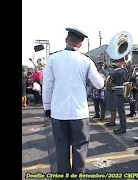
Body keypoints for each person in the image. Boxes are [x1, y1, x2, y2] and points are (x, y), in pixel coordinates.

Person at [42, 27, 104, 177]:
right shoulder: (86, 60)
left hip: (58, 112)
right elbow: (99, 84)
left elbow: (47, 86)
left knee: (62, 147)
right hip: (79, 113)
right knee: (80, 147)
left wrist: (47, 107)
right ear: (80, 45)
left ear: (66, 40)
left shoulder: (53, 59)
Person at [107, 58, 129, 134]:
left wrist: (111, 69)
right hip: (117, 91)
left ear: (122, 62)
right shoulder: (118, 70)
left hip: (120, 91)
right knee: (120, 111)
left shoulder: (122, 70)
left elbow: (114, 75)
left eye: (117, 62)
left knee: (121, 111)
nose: (116, 63)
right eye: (116, 62)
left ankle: (123, 128)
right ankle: (122, 127)